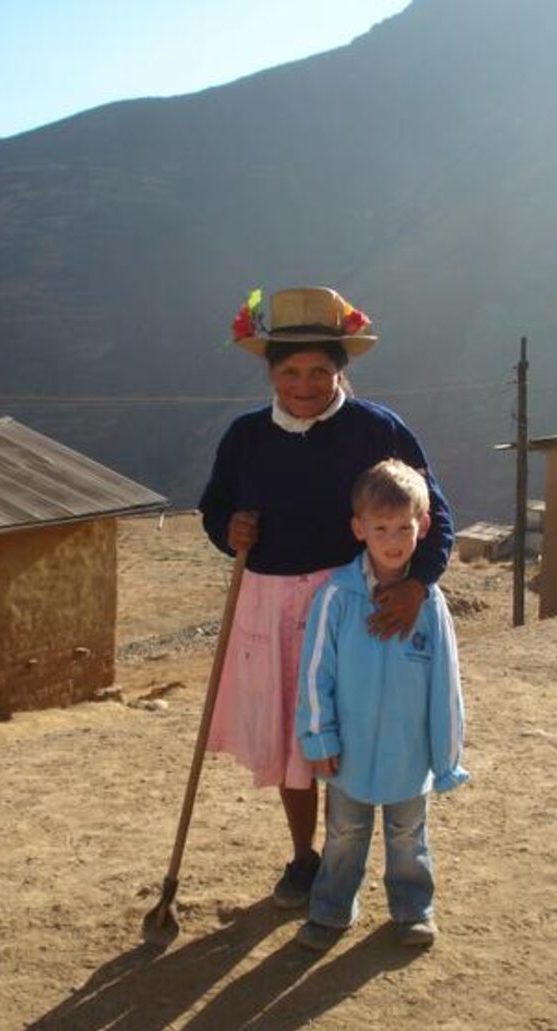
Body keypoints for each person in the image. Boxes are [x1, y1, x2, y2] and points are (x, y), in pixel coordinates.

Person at [198, 286, 454, 908]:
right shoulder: (246, 437)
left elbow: (434, 514)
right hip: (271, 605)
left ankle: (352, 862)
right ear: (271, 372)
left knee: (355, 731)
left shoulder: (377, 430)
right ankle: (305, 859)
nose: (305, 384)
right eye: (291, 371)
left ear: (341, 370)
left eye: (320, 370)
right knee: (294, 736)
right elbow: (214, 509)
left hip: (356, 607)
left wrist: (418, 583)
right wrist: (228, 531)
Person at [294, 459, 469, 951]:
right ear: (359, 529)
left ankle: (413, 909)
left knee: (408, 834)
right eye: (380, 528)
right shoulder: (338, 597)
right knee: (345, 833)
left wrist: (447, 757)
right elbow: (315, 675)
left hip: (408, 754)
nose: (393, 540)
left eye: (404, 528)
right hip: (348, 752)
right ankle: (330, 911)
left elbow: (445, 684)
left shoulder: (430, 605)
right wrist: (318, 738)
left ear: (424, 526)